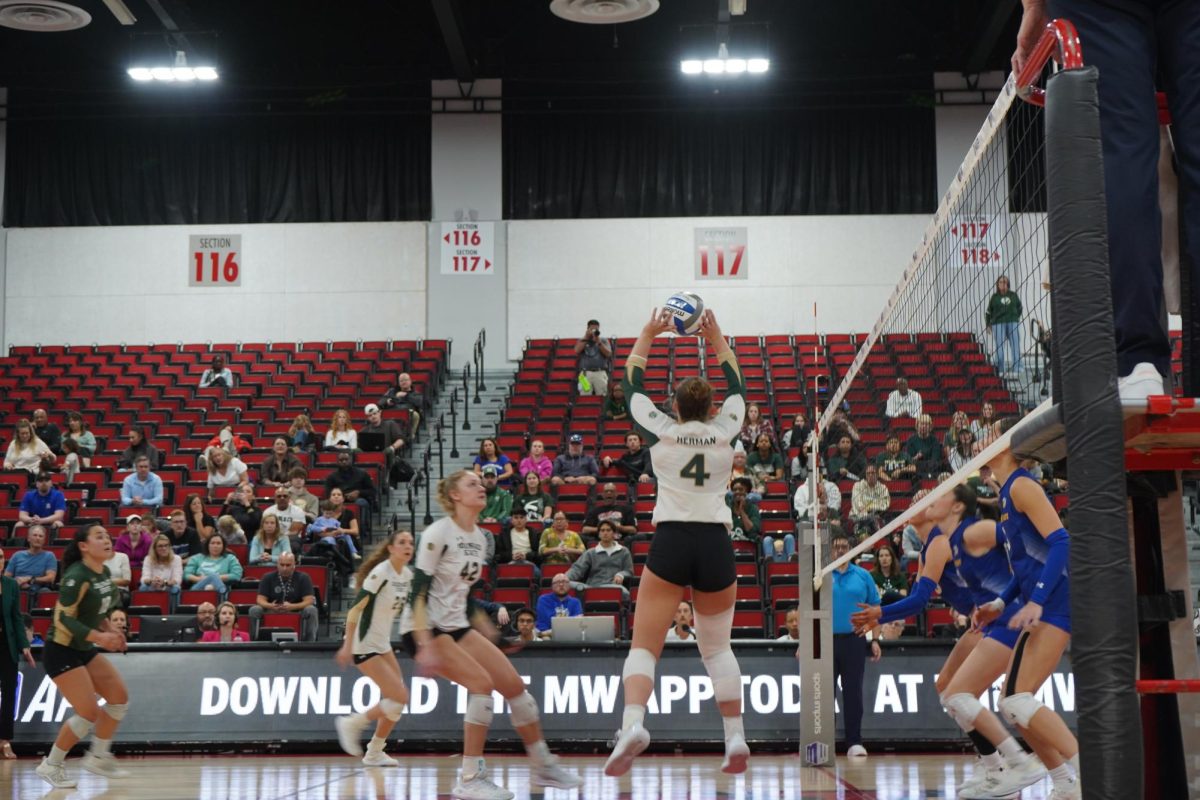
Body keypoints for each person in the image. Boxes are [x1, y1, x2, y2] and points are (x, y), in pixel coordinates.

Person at [606, 307, 750, 778]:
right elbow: (738, 386)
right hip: (715, 542)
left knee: (644, 647)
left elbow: (631, 385)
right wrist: (716, 335)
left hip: (670, 540)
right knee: (718, 650)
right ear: (711, 407)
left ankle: (632, 725)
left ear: (674, 405)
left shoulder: (661, 431)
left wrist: (648, 331)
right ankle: (734, 738)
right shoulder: (728, 427)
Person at [854, 484, 1046, 797]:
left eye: (921, 500)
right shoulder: (931, 546)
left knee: (958, 692)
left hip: (994, 620)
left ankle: (1017, 762)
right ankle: (995, 767)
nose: (913, 503)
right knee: (946, 687)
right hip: (981, 620)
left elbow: (918, 601)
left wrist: (880, 613)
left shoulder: (940, 544)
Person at [402, 470, 582, 797]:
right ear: (455, 495)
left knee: (516, 689)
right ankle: (469, 778)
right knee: (482, 685)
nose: (481, 486)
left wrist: (491, 634)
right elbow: (417, 594)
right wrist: (424, 644)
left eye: (480, 482)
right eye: (471, 483)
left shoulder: (478, 537)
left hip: (457, 626)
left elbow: (464, 594)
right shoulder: (437, 533)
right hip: (426, 627)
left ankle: (542, 765)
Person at [974, 420, 1080, 796]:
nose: (979, 439)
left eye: (987, 435)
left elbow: (1061, 542)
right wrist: (1000, 601)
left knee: (1018, 699)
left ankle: (1086, 770)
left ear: (1003, 446)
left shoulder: (1021, 485)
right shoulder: (1006, 493)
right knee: (1010, 702)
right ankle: (1066, 783)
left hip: (1054, 600)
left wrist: (1035, 600)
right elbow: (1026, 563)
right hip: (1043, 598)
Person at [35, 525, 130, 788]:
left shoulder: (105, 573)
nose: (107, 539)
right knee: (88, 712)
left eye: (107, 536)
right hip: (60, 649)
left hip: (82, 647)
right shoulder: (76, 576)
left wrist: (112, 630)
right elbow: (64, 619)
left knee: (119, 698)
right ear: (84, 547)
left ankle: (99, 755)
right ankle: (51, 764)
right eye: (98, 536)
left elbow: (99, 612)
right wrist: (102, 639)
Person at [334, 530, 415, 767]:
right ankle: (352, 723)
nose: (407, 546)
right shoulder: (381, 572)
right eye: (402, 542)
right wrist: (347, 645)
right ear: (391, 548)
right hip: (363, 640)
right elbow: (355, 610)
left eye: (410, 542)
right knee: (400, 696)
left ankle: (375, 751)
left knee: (397, 701)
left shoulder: (408, 575)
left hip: (381, 642)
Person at [826, 531, 881, 758]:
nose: (840, 549)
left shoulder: (863, 576)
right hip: (825, 643)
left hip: (854, 641)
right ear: (830, 551)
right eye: (836, 546)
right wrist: (805, 643)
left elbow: (875, 608)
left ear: (850, 550)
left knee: (853, 693)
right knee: (824, 694)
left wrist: (875, 639)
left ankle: (854, 742)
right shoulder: (822, 575)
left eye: (843, 546)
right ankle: (824, 741)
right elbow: (807, 610)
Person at [0, 549, 36, 761]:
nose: (0, 561)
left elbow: (16, 617)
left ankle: (5, 740)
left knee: (8, 694)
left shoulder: (11, 585)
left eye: (2, 557)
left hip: (7, 644)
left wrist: (24, 645)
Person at [250, 551, 320, 642]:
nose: (284, 568)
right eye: (282, 565)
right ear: (277, 564)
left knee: (311, 610)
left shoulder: (303, 577)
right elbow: (260, 600)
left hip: (296, 610)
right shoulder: (267, 577)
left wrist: (293, 606)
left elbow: (309, 600)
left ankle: (310, 643)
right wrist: (270, 606)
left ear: (294, 565)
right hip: (272, 609)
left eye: (288, 565)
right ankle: (254, 641)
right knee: (254, 609)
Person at [567, 521, 633, 598]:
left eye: (608, 530)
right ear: (599, 534)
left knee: (623, 591)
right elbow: (577, 569)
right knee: (565, 583)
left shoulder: (623, 551)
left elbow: (629, 571)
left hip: (613, 587)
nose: (605, 533)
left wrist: (621, 575)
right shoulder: (591, 552)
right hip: (591, 587)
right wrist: (564, 578)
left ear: (614, 533)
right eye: (602, 530)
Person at [324, 451, 376, 535]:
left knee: (361, 502)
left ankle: (361, 530)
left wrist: (358, 492)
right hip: (338, 500)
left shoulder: (362, 474)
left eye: (346, 459)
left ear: (351, 460)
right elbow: (328, 493)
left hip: (358, 499)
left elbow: (372, 491)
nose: (344, 462)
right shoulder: (332, 477)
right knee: (328, 503)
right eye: (341, 460)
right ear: (338, 461)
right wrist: (341, 497)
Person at [5, 526, 58, 603]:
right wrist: (18, 582)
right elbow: (6, 577)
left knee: (44, 591)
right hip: (16, 587)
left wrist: (30, 579)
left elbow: (50, 578)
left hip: (38, 589)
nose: (38, 538)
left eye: (41, 536)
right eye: (35, 535)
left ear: (44, 540)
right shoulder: (17, 555)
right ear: (28, 538)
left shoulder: (49, 556)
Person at [183, 533, 243, 598]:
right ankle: (223, 596)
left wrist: (215, 578)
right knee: (213, 577)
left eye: (218, 543)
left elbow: (237, 575)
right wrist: (200, 579)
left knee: (211, 584)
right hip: (198, 588)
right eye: (212, 543)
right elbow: (186, 575)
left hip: (222, 585)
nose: (215, 546)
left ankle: (220, 591)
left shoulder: (230, 558)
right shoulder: (197, 558)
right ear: (208, 545)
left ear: (223, 546)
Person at [984, 275, 1023, 376]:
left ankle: (1017, 369)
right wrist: (988, 325)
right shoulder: (994, 297)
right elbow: (988, 312)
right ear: (997, 284)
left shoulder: (1013, 295)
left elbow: (1020, 308)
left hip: (1012, 322)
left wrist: (1015, 318)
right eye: (1000, 282)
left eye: (1005, 282)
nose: (1003, 284)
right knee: (999, 347)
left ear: (1008, 284)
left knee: (1015, 346)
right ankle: (1000, 369)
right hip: (998, 323)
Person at [495, 509, 542, 581]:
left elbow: (539, 553)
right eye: (516, 518)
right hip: (510, 561)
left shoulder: (534, 533)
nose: (519, 520)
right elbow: (499, 554)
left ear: (526, 519)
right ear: (511, 520)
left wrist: (526, 556)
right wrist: (511, 556)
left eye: (521, 517)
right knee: (500, 574)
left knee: (537, 573)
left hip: (529, 561)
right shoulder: (504, 534)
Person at [138, 534, 182, 610]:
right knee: (143, 587)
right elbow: (144, 579)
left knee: (176, 588)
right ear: (155, 548)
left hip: (168, 586)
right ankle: (146, 613)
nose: (164, 548)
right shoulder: (148, 559)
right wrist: (152, 581)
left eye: (166, 545)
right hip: (153, 586)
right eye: (160, 546)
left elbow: (177, 580)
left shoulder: (176, 559)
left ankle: (173, 614)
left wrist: (164, 582)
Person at [534, 572, 583, 637]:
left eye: (564, 582)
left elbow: (577, 625)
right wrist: (570, 621)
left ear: (569, 585)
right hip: (547, 637)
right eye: (557, 582)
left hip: (570, 637)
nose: (561, 584)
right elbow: (544, 624)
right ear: (552, 586)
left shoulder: (575, 602)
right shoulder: (543, 600)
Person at [850, 464, 891, 537]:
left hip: (876, 515)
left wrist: (868, 507)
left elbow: (885, 504)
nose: (870, 475)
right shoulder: (857, 486)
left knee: (873, 520)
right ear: (865, 475)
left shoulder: (883, 488)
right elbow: (857, 502)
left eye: (873, 473)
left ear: (877, 475)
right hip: (858, 516)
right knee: (867, 520)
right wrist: (874, 505)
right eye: (868, 473)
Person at [575, 318, 612, 397]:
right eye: (592, 329)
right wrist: (586, 337)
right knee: (584, 395)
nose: (594, 331)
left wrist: (598, 342)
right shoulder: (582, 340)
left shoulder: (603, 341)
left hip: (600, 372)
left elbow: (608, 354)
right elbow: (577, 350)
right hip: (585, 374)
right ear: (588, 329)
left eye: (596, 329)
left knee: (602, 395)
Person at [726, 477, 761, 547]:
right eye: (734, 490)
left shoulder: (753, 508)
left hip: (748, 544)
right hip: (729, 544)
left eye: (741, 489)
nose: (737, 492)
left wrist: (741, 510)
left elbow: (751, 529)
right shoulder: (727, 507)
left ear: (747, 492)